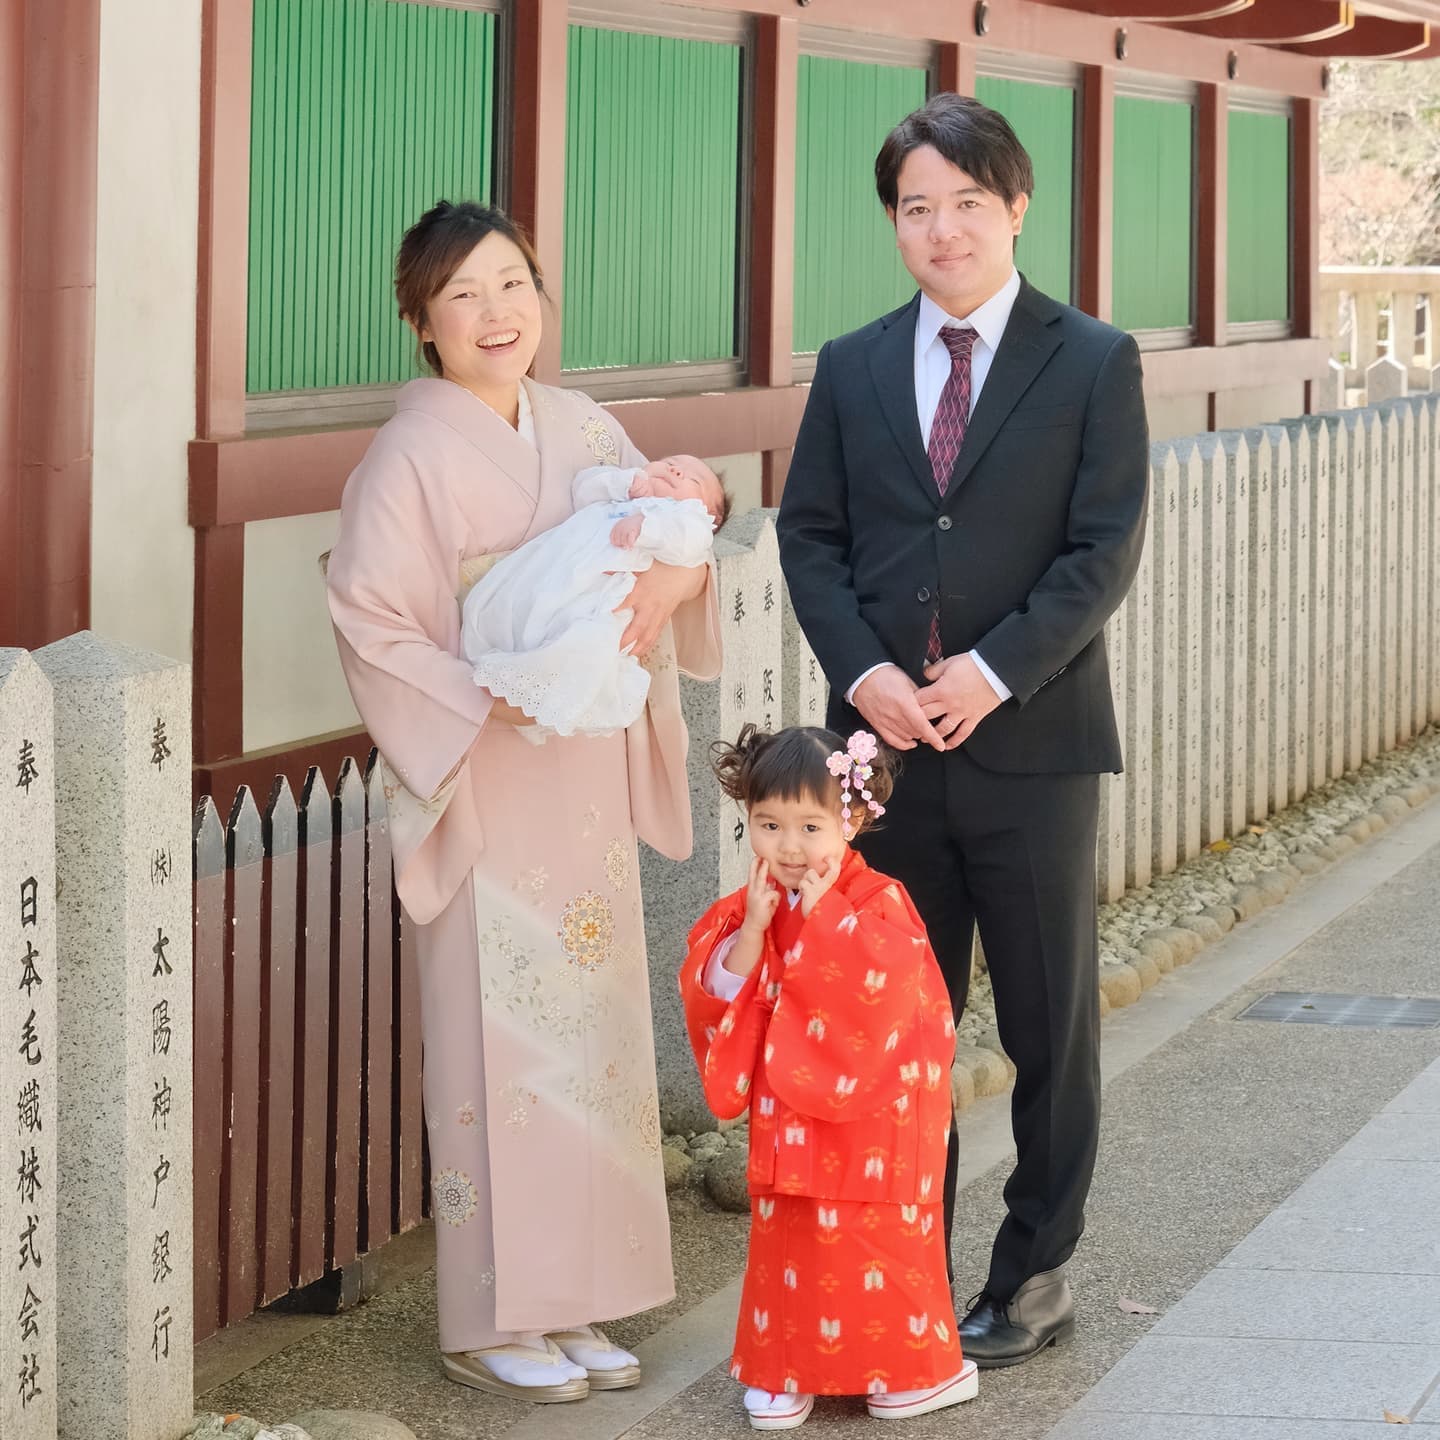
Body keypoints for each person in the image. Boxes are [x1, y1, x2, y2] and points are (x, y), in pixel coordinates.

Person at [325, 199, 721, 1402]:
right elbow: (370, 621)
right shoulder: (405, 459)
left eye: (512, 285)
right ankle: (493, 1315)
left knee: (593, 1042)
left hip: (582, 765)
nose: (496, 313)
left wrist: (669, 574)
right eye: (462, 296)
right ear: (422, 325)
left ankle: (583, 1297)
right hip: (485, 767)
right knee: (501, 1047)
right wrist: (484, 697)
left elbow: (673, 533)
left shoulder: (587, 427)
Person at [776, 93, 1149, 1368]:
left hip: (1034, 749)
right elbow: (809, 538)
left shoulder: (1093, 359)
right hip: (885, 762)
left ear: (1016, 206)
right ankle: (904, 1280)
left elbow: (1103, 549)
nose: (943, 231)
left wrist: (992, 671)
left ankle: (1035, 1270)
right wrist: (865, 672)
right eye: (916, 209)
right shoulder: (854, 362)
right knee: (896, 1030)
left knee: (1048, 1028)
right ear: (894, 224)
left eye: (966, 204)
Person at [680, 725, 980, 1430]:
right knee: (794, 1242)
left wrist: (827, 924)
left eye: (811, 826)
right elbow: (710, 987)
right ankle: (784, 1378)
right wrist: (752, 934)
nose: (789, 846)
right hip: (793, 1118)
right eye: (768, 824)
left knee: (877, 1239)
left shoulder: (879, 900)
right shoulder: (749, 905)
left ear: (854, 818)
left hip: (873, 1119)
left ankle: (899, 1380)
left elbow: (897, 993)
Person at [460, 453, 729, 739]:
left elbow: (692, 540)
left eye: (693, 480)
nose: (675, 471)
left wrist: (646, 526)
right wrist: (623, 483)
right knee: (504, 601)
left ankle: (532, 686)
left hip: (603, 598)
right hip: (557, 571)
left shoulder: (683, 518)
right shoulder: (623, 495)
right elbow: (583, 488)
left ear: (710, 515)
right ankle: (491, 650)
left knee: (585, 644)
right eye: (671, 462)